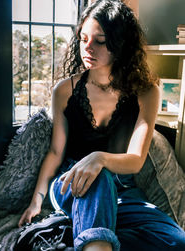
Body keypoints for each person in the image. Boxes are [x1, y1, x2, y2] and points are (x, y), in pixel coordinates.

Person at [18, 0, 185, 250]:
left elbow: (136, 159)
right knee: (97, 177)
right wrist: (36, 201)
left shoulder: (147, 92)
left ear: (120, 43)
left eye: (100, 40)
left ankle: (75, 240)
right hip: (70, 184)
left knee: (177, 241)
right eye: (83, 38)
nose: (88, 48)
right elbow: (55, 153)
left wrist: (99, 158)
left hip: (123, 191)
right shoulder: (64, 91)